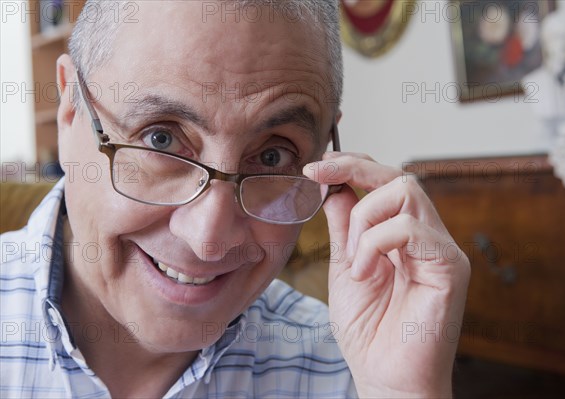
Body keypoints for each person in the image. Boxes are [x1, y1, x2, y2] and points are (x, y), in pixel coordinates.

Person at [0, 1, 470, 397]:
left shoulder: (348, 364)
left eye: (271, 155)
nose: (209, 239)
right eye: (161, 139)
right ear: (68, 111)